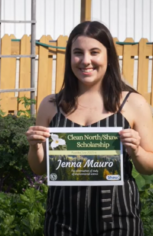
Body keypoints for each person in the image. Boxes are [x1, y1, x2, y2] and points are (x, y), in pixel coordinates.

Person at [26, 21, 153, 235]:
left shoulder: (133, 103)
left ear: (108, 57)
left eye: (94, 52)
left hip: (117, 219)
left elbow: (149, 167)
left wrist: (137, 150)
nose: (86, 61)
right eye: (78, 53)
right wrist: (35, 146)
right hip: (62, 220)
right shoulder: (50, 105)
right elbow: (39, 169)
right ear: (69, 58)